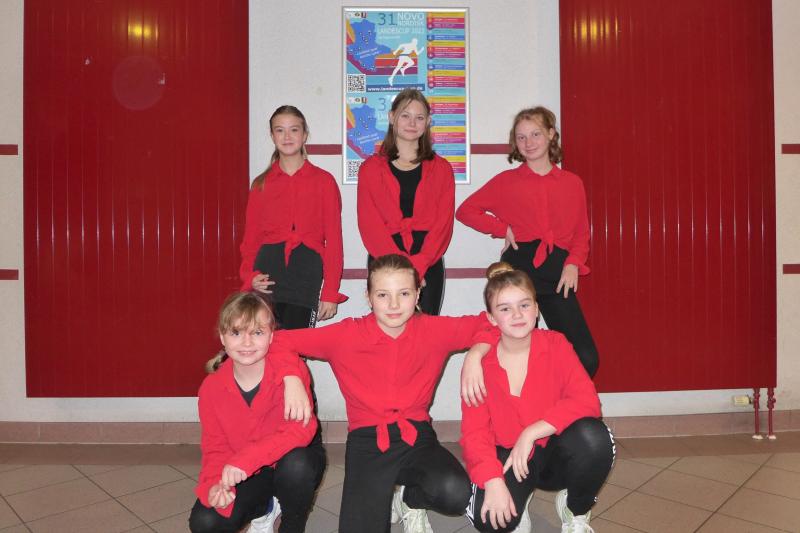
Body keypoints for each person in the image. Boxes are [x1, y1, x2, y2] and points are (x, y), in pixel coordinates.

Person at [270, 254, 495, 533]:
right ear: (368, 297)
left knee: (455, 493)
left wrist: (476, 354)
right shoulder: (346, 335)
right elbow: (277, 342)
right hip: (368, 441)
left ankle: (412, 499)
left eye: (404, 293)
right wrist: (291, 377)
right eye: (382, 295)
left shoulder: (433, 329)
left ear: (418, 294)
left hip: (416, 436)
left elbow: (490, 322)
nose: (393, 305)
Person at [460, 263, 614, 533]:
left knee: (595, 438)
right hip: (509, 456)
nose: (517, 315)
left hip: (553, 450)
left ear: (536, 309)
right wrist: (493, 481)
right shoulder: (479, 366)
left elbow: (587, 400)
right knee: (490, 521)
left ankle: (575, 510)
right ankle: (520, 500)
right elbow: (475, 433)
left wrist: (531, 432)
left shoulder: (556, 344)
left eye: (524, 305)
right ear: (491, 319)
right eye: (505, 309)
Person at [456, 106, 598, 377]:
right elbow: (465, 211)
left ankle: (559, 401)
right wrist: (501, 228)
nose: (528, 142)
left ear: (551, 134)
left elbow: (581, 233)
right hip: (519, 270)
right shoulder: (506, 182)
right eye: (521, 137)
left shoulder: (571, 183)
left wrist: (573, 264)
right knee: (516, 355)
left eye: (535, 134)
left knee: (585, 357)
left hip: (558, 273)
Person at [188, 292, 326, 533]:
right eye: (236, 333)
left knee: (297, 465)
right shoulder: (211, 388)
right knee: (204, 522)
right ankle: (266, 507)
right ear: (222, 337)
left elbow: (301, 430)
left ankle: (292, 525)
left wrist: (245, 461)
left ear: (272, 336)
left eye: (257, 333)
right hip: (251, 472)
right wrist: (214, 485)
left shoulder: (291, 373)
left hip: (289, 463)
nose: (247, 342)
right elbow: (215, 447)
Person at [240, 105, 347, 330]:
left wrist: (330, 291)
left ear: (304, 134)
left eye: (294, 130)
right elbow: (251, 240)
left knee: (298, 344)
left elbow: (334, 242)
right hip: (268, 274)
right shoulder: (261, 184)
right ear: (272, 136)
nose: (287, 137)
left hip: (306, 272)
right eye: (280, 130)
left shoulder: (324, 182)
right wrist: (249, 276)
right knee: (264, 343)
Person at [357, 88, 455, 315]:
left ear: (428, 122)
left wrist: (419, 266)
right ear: (392, 117)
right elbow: (369, 225)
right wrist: (400, 268)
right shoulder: (370, 169)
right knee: (386, 330)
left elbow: (443, 225)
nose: (412, 123)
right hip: (384, 259)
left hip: (428, 261)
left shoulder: (442, 169)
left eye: (419, 117)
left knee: (426, 331)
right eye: (405, 115)